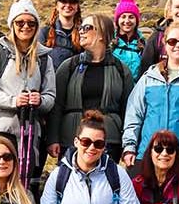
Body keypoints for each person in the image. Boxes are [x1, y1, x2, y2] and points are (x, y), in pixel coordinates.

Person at [0, 0, 56, 189]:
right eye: (20, 22)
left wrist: (40, 100)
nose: (25, 27)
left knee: (26, 182)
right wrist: (13, 101)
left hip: (30, 130)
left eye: (31, 22)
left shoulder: (45, 58)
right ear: (12, 24)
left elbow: (51, 96)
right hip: (0, 129)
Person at [123, 20, 179, 173]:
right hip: (147, 154)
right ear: (164, 44)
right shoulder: (149, 77)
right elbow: (134, 114)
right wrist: (129, 147)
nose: (177, 45)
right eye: (172, 41)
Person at [48, 13, 134, 164]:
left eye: (86, 27)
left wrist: (127, 144)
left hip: (109, 140)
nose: (81, 31)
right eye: (80, 27)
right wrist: (53, 138)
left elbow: (128, 109)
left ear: (102, 33)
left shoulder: (121, 69)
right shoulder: (68, 66)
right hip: (72, 139)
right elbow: (57, 105)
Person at [39, 0, 83, 70]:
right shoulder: (44, 32)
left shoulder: (83, 33)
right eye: (64, 1)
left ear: (77, 7)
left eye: (72, 2)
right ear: (57, 6)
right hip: (51, 81)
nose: (68, 5)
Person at [112, 0, 147, 81]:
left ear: (136, 20)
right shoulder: (110, 42)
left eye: (131, 17)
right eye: (123, 17)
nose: (127, 21)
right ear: (117, 20)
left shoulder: (143, 44)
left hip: (137, 90)